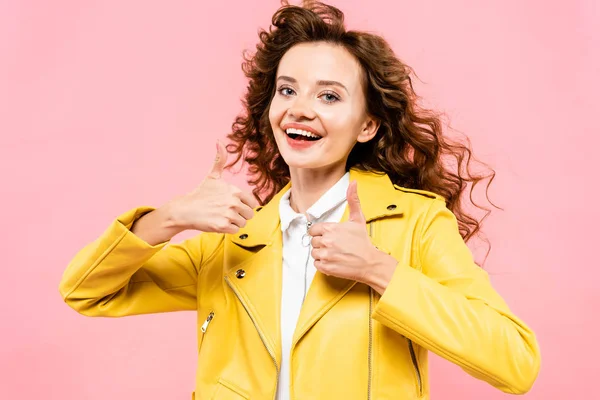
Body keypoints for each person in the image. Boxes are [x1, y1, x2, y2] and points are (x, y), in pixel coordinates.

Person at [59, 1, 541, 399]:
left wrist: (378, 269)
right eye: (287, 89)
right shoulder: (234, 241)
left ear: (367, 125)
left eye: (329, 96)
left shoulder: (415, 223)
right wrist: (169, 218)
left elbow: (515, 361)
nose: (300, 108)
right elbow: (86, 289)